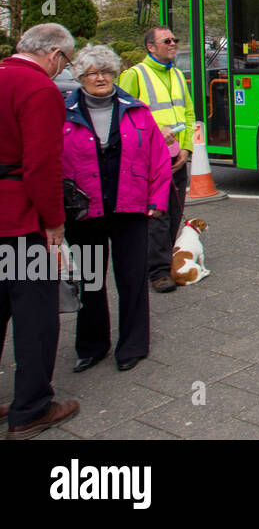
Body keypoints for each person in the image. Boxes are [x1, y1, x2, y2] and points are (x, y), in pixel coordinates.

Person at [62, 45, 170, 373]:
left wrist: (156, 202)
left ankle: (133, 345)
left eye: (106, 72)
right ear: (80, 77)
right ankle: (92, 346)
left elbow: (159, 160)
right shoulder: (62, 112)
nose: (100, 78)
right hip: (84, 212)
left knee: (132, 278)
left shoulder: (136, 111)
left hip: (130, 208)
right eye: (92, 73)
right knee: (91, 279)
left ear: (115, 74)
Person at [0, 23, 80, 438]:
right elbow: (41, 166)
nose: (61, 69)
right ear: (53, 54)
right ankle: (30, 408)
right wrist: (53, 221)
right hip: (18, 221)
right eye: (65, 61)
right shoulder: (39, 91)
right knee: (35, 318)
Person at [117, 27, 195, 293]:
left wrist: (186, 149)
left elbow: (188, 112)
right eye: (167, 41)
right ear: (151, 47)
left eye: (175, 40)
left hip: (177, 158)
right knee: (157, 215)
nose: (173, 44)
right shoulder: (134, 75)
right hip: (151, 160)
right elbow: (124, 116)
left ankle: (167, 260)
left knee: (174, 213)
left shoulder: (175, 73)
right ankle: (158, 272)